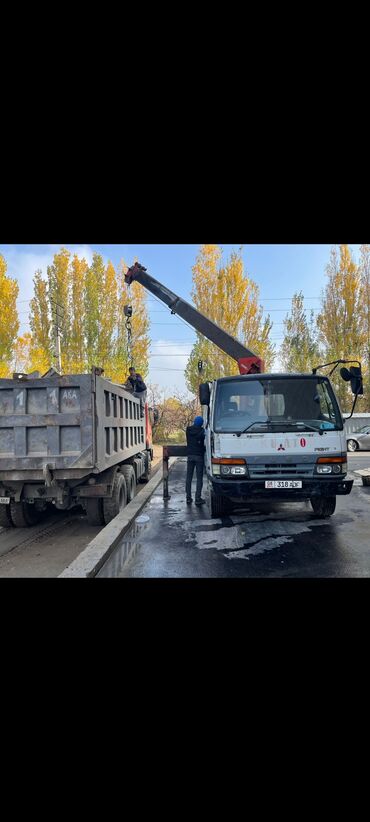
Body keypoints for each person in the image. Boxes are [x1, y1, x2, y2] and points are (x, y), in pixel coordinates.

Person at [186, 415, 206, 506]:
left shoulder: (188, 430)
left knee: (189, 478)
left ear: (194, 421)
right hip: (199, 457)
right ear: (201, 423)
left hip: (190, 456)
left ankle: (188, 498)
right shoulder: (202, 431)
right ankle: (198, 498)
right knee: (199, 478)